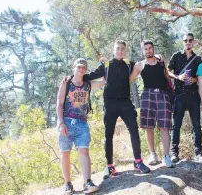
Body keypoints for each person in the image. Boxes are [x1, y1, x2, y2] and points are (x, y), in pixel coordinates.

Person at [82, 40, 150, 180]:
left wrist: (157, 57)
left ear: (125, 51)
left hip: (126, 103)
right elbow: (89, 76)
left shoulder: (128, 64)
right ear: (114, 49)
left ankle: (138, 162)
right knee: (109, 135)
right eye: (118, 48)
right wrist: (73, 77)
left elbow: (142, 65)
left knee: (134, 129)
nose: (120, 51)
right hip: (110, 104)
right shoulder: (106, 65)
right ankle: (110, 166)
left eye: (122, 49)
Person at [57, 58, 102, 194]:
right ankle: (68, 184)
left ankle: (87, 182)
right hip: (67, 121)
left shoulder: (87, 84)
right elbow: (59, 104)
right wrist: (61, 123)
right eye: (79, 67)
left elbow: (103, 81)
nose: (81, 69)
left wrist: (105, 64)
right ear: (74, 67)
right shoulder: (67, 83)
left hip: (82, 123)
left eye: (84, 67)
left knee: (84, 151)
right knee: (65, 153)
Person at [129, 40, 173, 168]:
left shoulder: (161, 61)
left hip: (163, 95)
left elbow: (167, 76)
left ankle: (166, 156)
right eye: (146, 49)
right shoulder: (139, 65)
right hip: (147, 95)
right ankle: (152, 154)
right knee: (149, 126)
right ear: (143, 51)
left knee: (165, 126)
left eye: (150, 48)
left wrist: (172, 89)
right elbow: (129, 79)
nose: (148, 51)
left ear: (153, 49)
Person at [168, 33, 202, 163]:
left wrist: (194, 79)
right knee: (176, 124)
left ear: (193, 42)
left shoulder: (198, 59)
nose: (188, 42)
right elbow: (167, 71)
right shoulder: (176, 56)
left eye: (190, 40)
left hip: (194, 95)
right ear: (182, 42)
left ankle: (199, 152)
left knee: (196, 125)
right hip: (179, 94)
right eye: (185, 40)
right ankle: (174, 153)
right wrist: (177, 77)